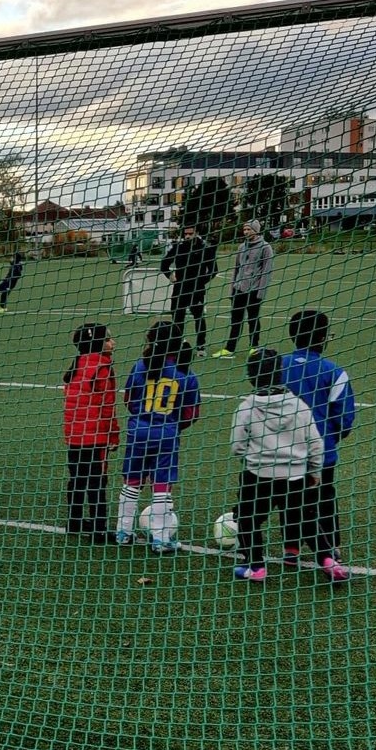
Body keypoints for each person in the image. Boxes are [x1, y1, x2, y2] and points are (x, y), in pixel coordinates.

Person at [230, 349, 346, 582]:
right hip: (296, 475)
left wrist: (253, 459)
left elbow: (237, 445)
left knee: (247, 518)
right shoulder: (299, 406)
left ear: (250, 376)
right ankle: (328, 561)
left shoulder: (246, 407)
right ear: (280, 373)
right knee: (305, 519)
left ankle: (256, 567)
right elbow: (316, 443)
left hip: (258, 476)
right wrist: (314, 471)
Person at [114, 320, 200, 552]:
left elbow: (128, 399)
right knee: (162, 485)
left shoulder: (139, 367)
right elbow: (192, 414)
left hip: (138, 432)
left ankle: (123, 532)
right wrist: (173, 425)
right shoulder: (186, 374)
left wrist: (142, 418)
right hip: (166, 435)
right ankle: (161, 539)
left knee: (132, 481)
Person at [281, 310, 356, 570]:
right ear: (323, 338)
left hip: (283, 449)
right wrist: (333, 437)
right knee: (323, 496)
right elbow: (344, 416)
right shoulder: (334, 372)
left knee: (290, 497)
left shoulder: (277, 366)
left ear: (292, 335)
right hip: (321, 451)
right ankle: (331, 547)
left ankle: (291, 548)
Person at [62, 323, 119, 544]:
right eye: (108, 339)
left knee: (77, 479)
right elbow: (107, 406)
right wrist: (113, 435)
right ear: (97, 344)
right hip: (95, 436)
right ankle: (99, 529)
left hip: (74, 435)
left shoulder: (77, 364)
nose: (112, 343)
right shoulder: (102, 368)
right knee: (97, 481)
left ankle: (74, 521)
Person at [212, 220, 273, 359]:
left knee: (253, 319)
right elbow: (236, 269)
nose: (246, 232)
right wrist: (232, 289)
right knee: (235, 320)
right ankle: (229, 349)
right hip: (238, 290)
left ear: (256, 230)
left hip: (254, 291)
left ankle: (254, 347)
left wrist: (260, 292)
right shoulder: (241, 247)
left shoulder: (265, 247)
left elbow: (267, 271)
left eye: (248, 229)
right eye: (244, 229)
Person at [160, 224, 217, 357]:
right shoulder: (178, 248)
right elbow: (164, 264)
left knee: (199, 318)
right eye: (185, 234)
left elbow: (214, 270)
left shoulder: (205, 249)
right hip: (179, 289)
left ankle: (201, 346)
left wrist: (201, 281)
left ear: (196, 233)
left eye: (190, 234)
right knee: (177, 317)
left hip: (197, 290)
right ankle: (178, 343)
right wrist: (170, 275)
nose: (187, 236)